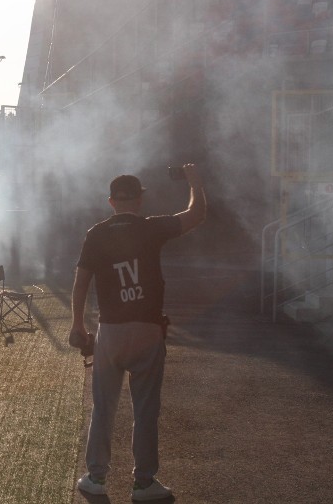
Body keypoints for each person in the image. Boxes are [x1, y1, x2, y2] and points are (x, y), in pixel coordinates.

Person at [70, 165, 206, 501]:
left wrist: (77, 323)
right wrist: (194, 180)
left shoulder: (96, 233)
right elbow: (196, 213)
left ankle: (96, 478)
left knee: (104, 407)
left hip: (111, 330)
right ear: (140, 200)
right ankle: (144, 484)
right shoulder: (151, 228)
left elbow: (81, 281)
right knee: (146, 410)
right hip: (147, 329)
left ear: (111, 201)